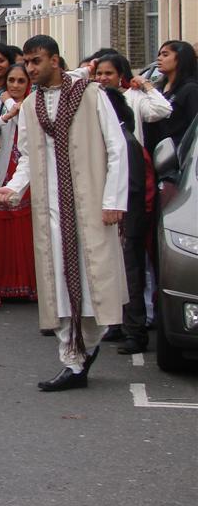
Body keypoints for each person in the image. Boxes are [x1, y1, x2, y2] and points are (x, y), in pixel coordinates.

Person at [0, 35, 128, 392]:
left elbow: (117, 148)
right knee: (58, 284)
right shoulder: (30, 105)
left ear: (55, 60)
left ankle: (88, 345)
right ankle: (72, 359)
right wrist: (15, 188)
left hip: (91, 203)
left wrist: (113, 200)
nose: (31, 68)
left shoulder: (91, 94)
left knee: (95, 279)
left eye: (37, 61)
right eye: (27, 61)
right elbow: (25, 157)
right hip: (51, 207)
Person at [0, 63, 36, 300]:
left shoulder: (34, 105)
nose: (15, 85)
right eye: (11, 80)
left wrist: (13, 106)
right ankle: (1, 284)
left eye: (21, 81)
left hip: (24, 173)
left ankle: (26, 285)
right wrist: (5, 115)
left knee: (23, 230)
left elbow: (28, 124)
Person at [102, 88, 149, 355]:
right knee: (116, 272)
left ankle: (135, 331)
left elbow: (131, 186)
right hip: (118, 215)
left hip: (127, 216)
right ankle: (118, 324)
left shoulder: (125, 142)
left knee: (130, 272)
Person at [91, 54, 169, 147]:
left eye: (108, 73)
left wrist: (145, 83)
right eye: (99, 73)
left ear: (120, 75)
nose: (103, 78)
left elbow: (163, 110)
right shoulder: (90, 98)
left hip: (129, 156)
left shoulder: (133, 96)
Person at [143, 40, 198, 154]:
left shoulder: (190, 90)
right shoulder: (159, 88)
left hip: (177, 158)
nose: (159, 58)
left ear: (181, 59)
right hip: (155, 155)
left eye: (165, 54)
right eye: (159, 54)